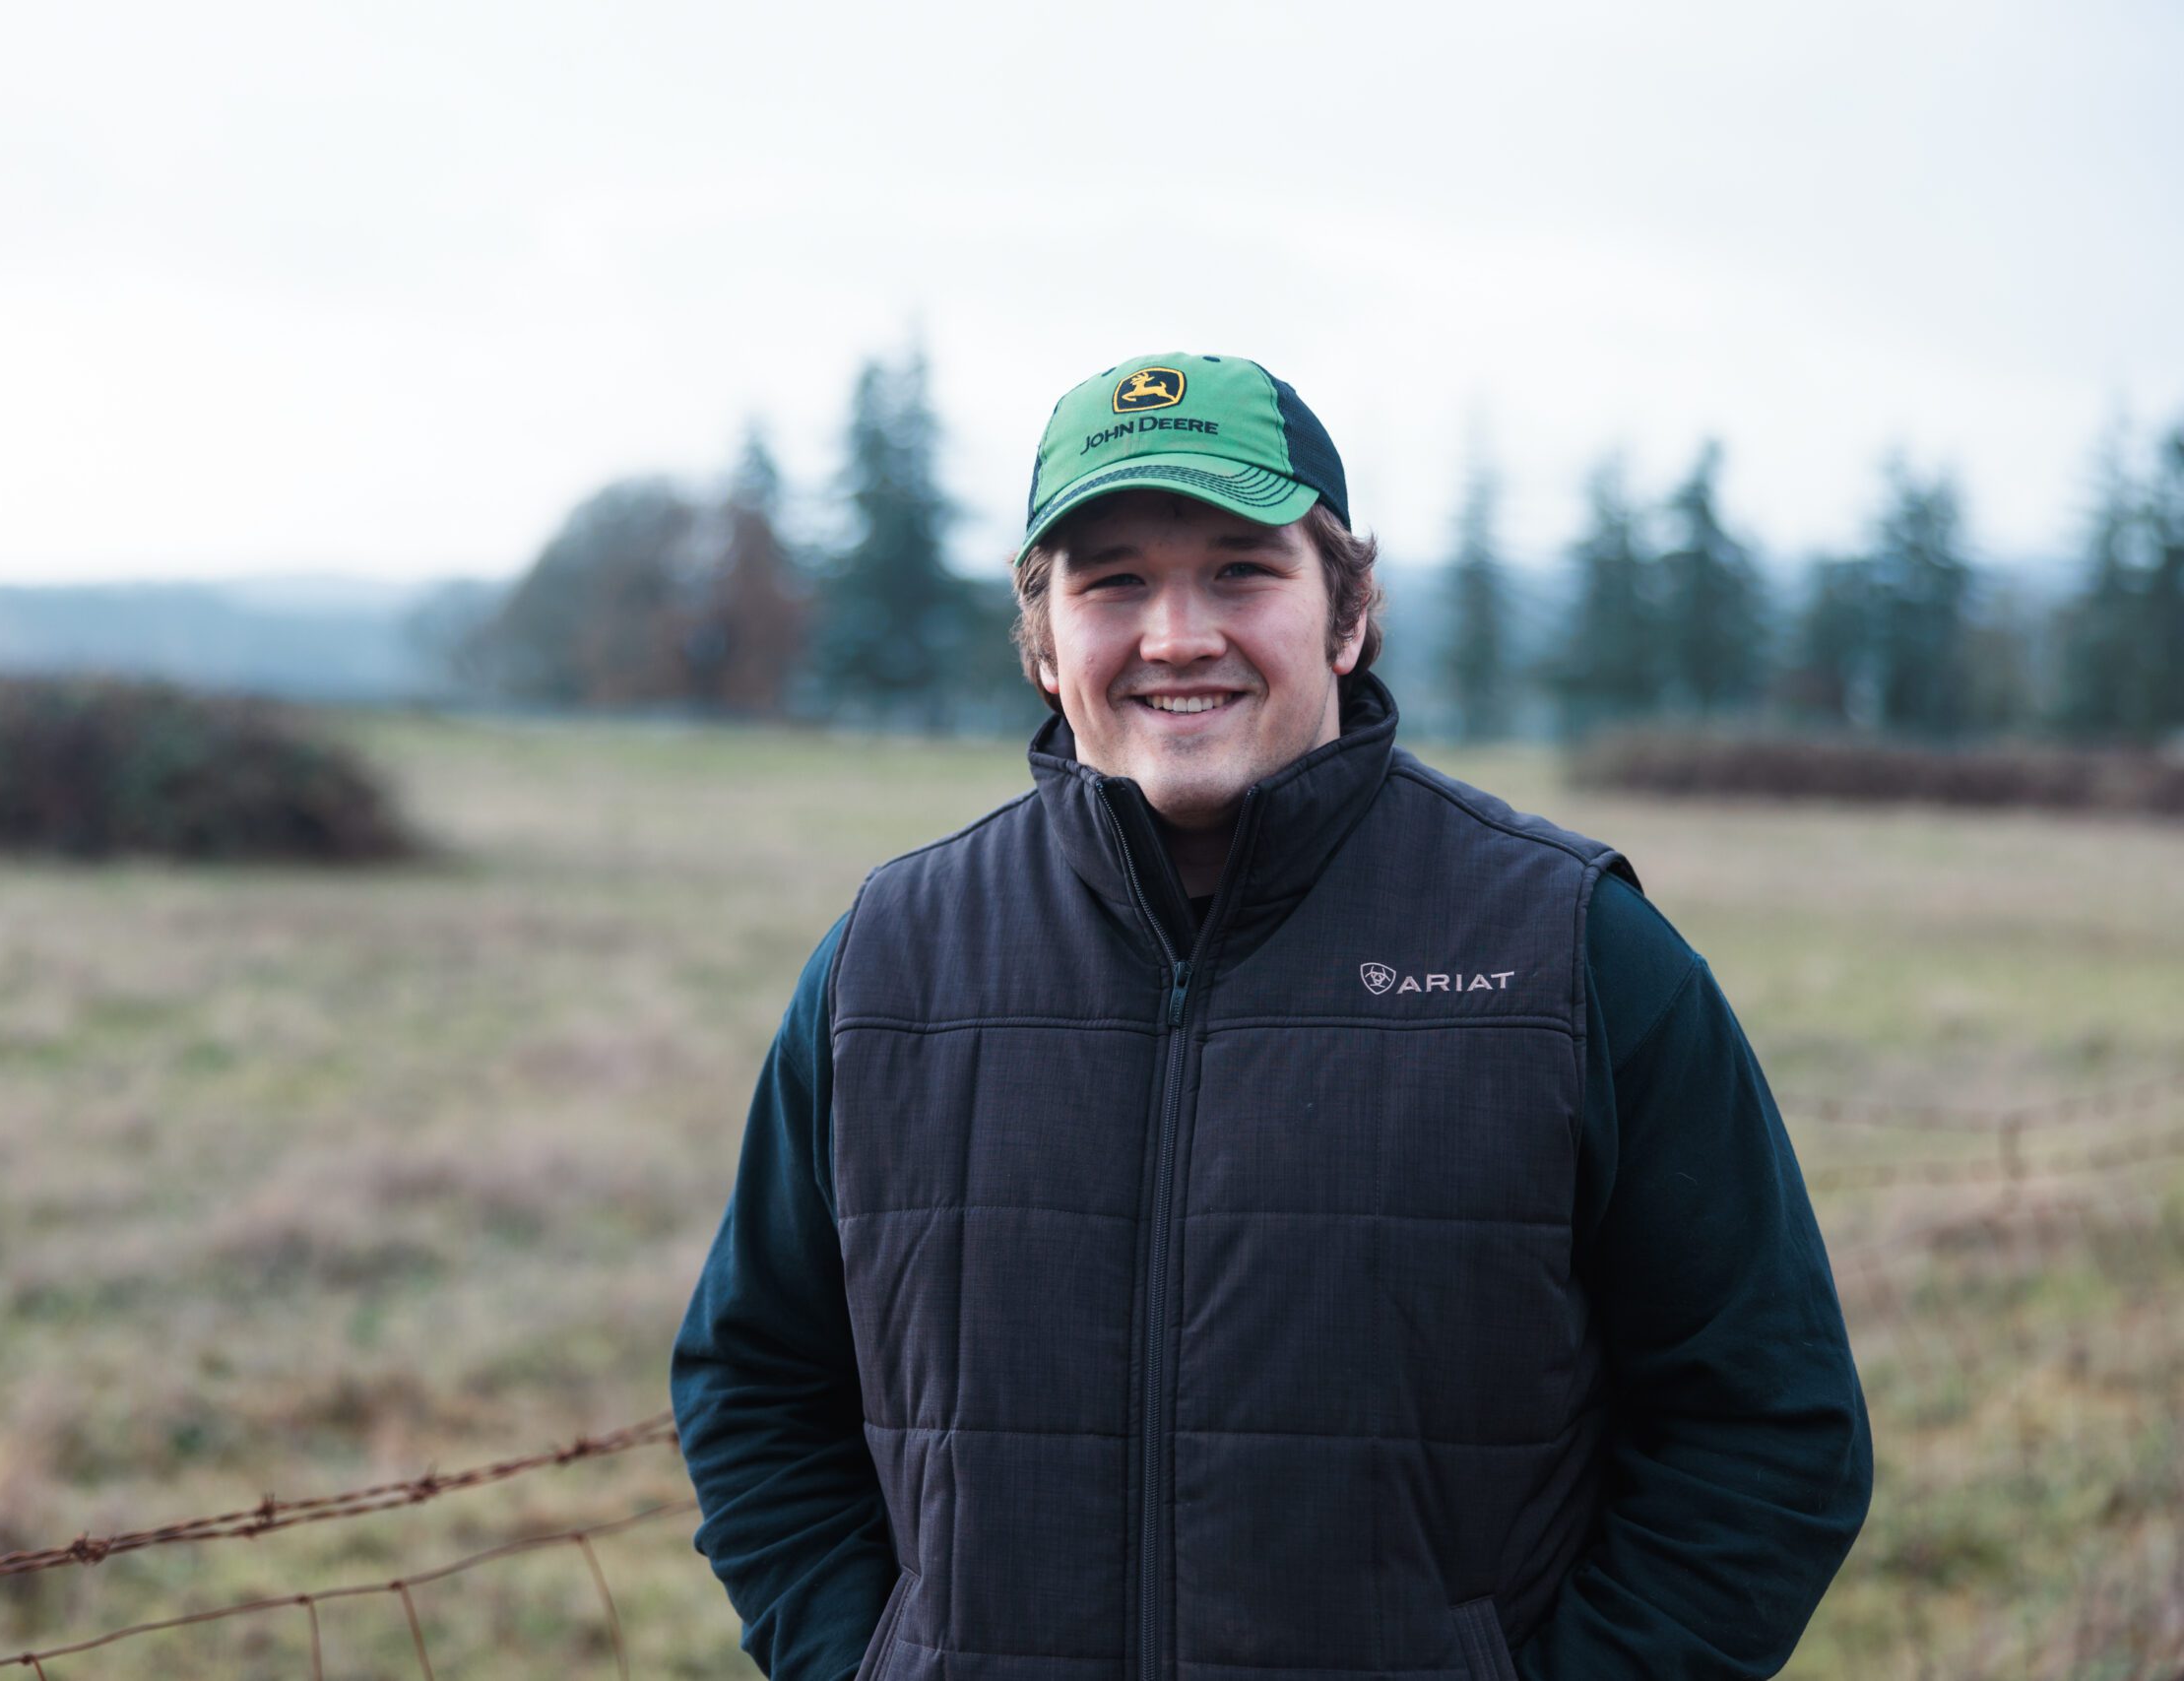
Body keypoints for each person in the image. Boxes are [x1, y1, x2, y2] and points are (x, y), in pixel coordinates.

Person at [672, 352, 1872, 1681]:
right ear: (1043, 641)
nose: (1177, 633)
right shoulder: (886, 970)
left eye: (1242, 568)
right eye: (1112, 580)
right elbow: (754, 1391)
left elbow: (1768, 1428)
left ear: (1346, 619)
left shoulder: (1573, 954)